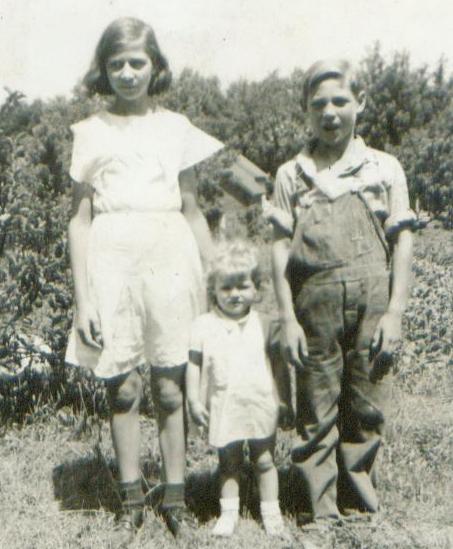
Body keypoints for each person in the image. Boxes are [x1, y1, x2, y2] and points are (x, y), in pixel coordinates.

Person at [65, 16, 225, 546]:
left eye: (137, 62)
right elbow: (80, 220)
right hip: (112, 264)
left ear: (155, 66)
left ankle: (175, 497)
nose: (128, 73)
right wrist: (83, 298)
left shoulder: (176, 128)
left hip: (170, 258)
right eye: (117, 65)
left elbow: (193, 209)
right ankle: (132, 499)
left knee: (170, 384)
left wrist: (218, 273)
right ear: (103, 71)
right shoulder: (90, 132)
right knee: (124, 385)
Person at [268, 59, 416, 525]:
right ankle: (320, 511)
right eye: (318, 105)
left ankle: (359, 503)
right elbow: (276, 250)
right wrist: (287, 317)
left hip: (372, 300)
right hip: (313, 304)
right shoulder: (292, 175)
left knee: (366, 404)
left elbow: (403, 242)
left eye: (340, 101)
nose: (330, 112)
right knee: (316, 406)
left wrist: (394, 312)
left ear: (360, 105)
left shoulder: (383, 168)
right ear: (306, 113)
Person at [186, 241, 291, 538]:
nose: (234, 295)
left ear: (256, 288)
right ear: (214, 290)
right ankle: (228, 513)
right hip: (224, 402)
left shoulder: (265, 324)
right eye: (226, 288)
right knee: (229, 462)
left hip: (260, 402)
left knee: (265, 460)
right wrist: (194, 399)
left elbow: (280, 367)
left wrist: (285, 401)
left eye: (242, 286)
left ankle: (272, 513)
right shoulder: (204, 325)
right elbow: (193, 365)